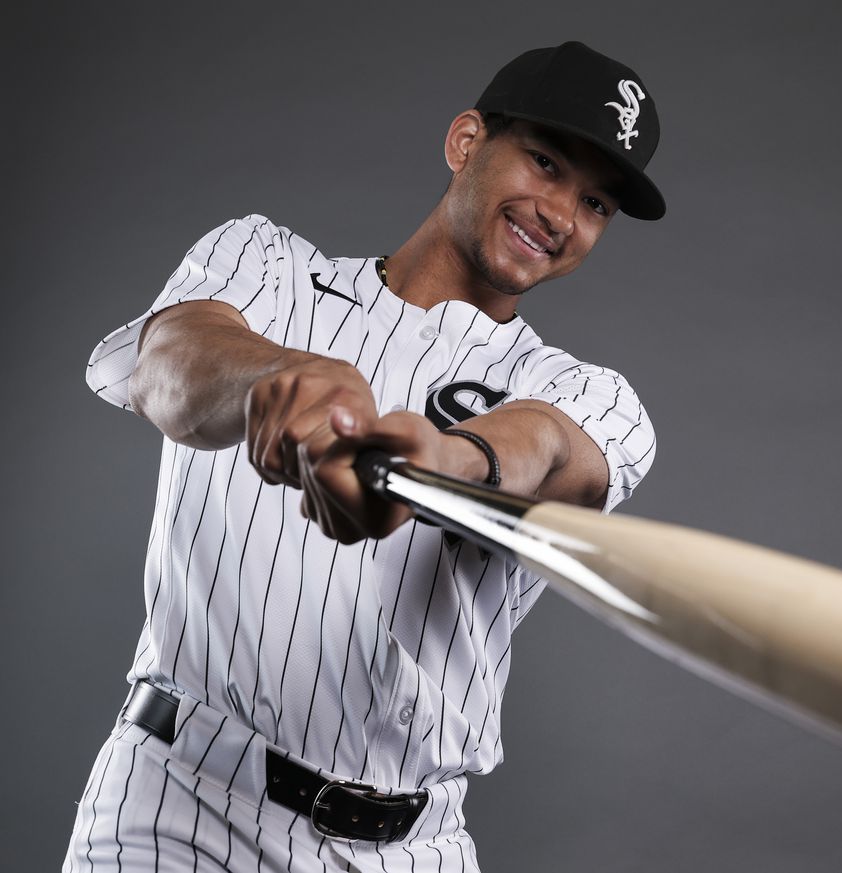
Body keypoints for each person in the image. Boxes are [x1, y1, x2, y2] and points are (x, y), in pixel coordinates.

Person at [65, 41, 662, 872]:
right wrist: (283, 376)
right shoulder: (268, 268)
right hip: (178, 803)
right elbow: (171, 369)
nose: (561, 212)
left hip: (410, 846)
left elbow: (555, 453)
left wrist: (437, 467)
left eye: (595, 202)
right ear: (465, 142)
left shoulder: (587, 395)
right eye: (545, 161)